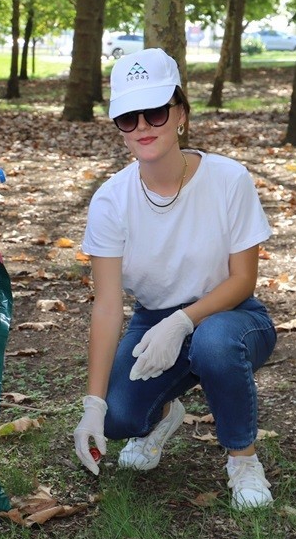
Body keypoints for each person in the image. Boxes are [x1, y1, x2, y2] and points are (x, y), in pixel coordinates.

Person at [71, 49, 278, 510]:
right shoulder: (110, 200)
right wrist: (94, 405)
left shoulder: (229, 179)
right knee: (120, 418)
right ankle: (164, 414)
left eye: (156, 111)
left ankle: (243, 459)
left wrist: (184, 321)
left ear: (181, 113)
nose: (143, 126)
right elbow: (106, 305)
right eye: (128, 117)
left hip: (232, 314)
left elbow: (243, 279)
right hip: (154, 319)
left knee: (215, 344)